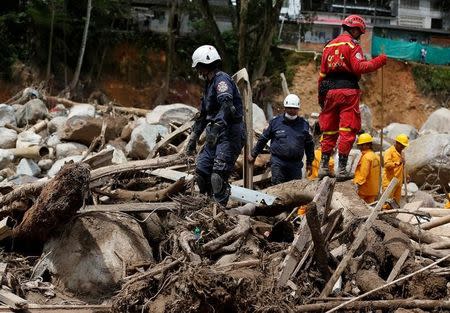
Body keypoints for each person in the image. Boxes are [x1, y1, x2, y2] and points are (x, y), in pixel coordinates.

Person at [317, 15, 387, 181]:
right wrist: (380, 61)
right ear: (354, 29)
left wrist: (321, 96)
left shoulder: (329, 46)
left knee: (329, 129)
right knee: (348, 129)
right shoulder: (352, 45)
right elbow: (359, 66)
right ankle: (341, 169)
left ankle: (324, 167)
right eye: (360, 33)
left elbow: (321, 75)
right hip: (347, 91)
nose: (360, 37)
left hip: (328, 91)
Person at [186, 45, 246, 207]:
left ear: (203, 66)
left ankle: (218, 210)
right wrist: (194, 137)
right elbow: (203, 115)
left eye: (198, 67)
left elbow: (226, 105)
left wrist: (217, 127)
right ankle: (206, 204)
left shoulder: (222, 80)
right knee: (201, 171)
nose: (198, 71)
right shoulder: (209, 85)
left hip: (230, 134)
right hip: (216, 134)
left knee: (217, 176)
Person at [248, 94, 314, 185]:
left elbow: (309, 145)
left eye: (294, 108)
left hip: (296, 165)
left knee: (294, 190)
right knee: (277, 188)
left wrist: (309, 162)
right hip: (278, 163)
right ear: (285, 108)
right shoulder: (275, 123)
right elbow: (263, 139)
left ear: (298, 109)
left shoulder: (304, 125)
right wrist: (254, 154)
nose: (292, 110)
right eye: (289, 108)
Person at [382, 134, 409, 206]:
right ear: (397, 143)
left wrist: (406, 175)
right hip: (389, 181)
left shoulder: (402, 153)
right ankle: (384, 215)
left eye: (404, 146)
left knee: (396, 203)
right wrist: (397, 163)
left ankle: (393, 215)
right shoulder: (389, 152)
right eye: (402, 145)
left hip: (398, 182)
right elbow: (387, 165)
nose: (403, 147)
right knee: (387, 202)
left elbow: (403, 166)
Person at [353, 133, 380, 203]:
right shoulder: (375, 156)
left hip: (364, 190)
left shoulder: (366, 157)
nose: (360, 147)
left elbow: (363, 174)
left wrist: (357, 183)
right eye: (360, 145)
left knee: (359, 208)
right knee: (369, 209)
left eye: (362, 145)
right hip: (373, 189)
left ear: (368, 145)